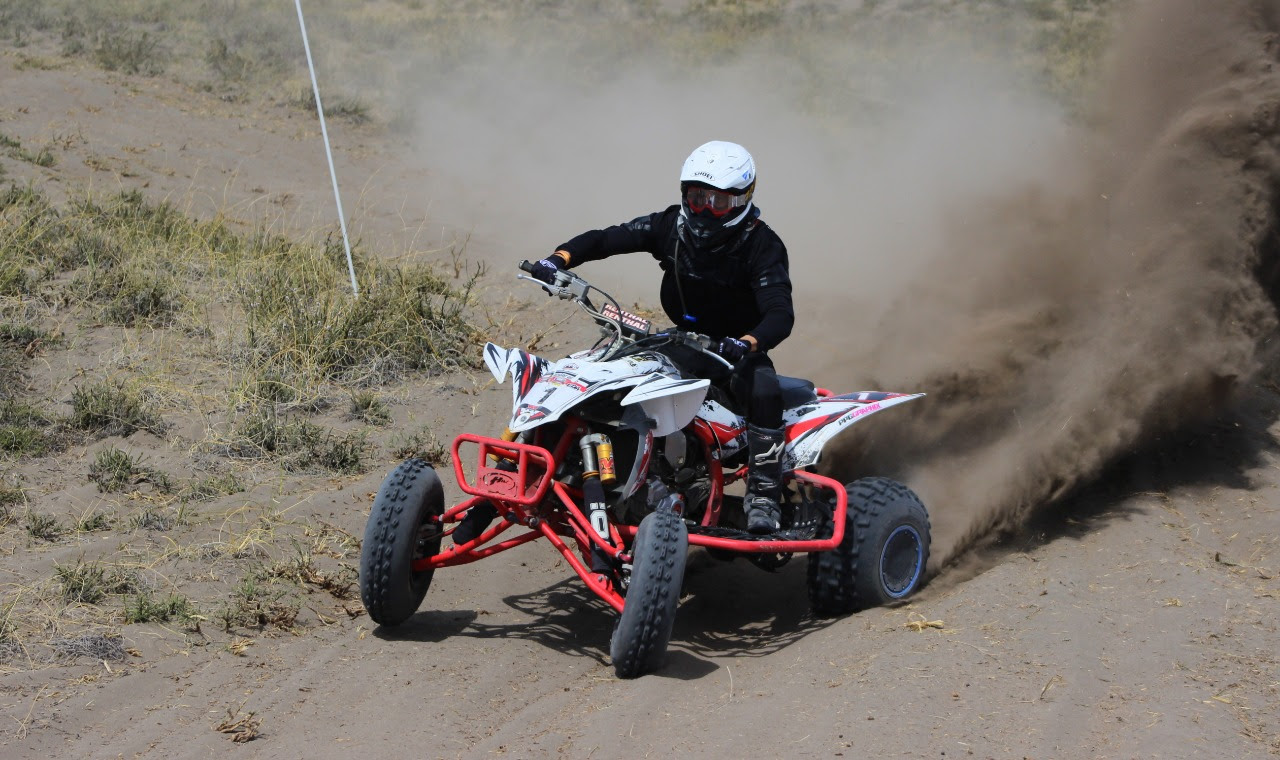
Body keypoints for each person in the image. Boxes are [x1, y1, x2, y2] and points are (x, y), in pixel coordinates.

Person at [528, 140, 795, 534]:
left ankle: (763, 495)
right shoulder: (671, 225)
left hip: (735, 350)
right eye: (698, 198)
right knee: (605, 369)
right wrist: (558, 260)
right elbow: (607, 238)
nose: (705, 210)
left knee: (766, 390)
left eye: (718, 203)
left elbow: (780, 313)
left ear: (742, 200)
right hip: (682, 340)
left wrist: (746, 343)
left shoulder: (763, 245)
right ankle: (571, 461)